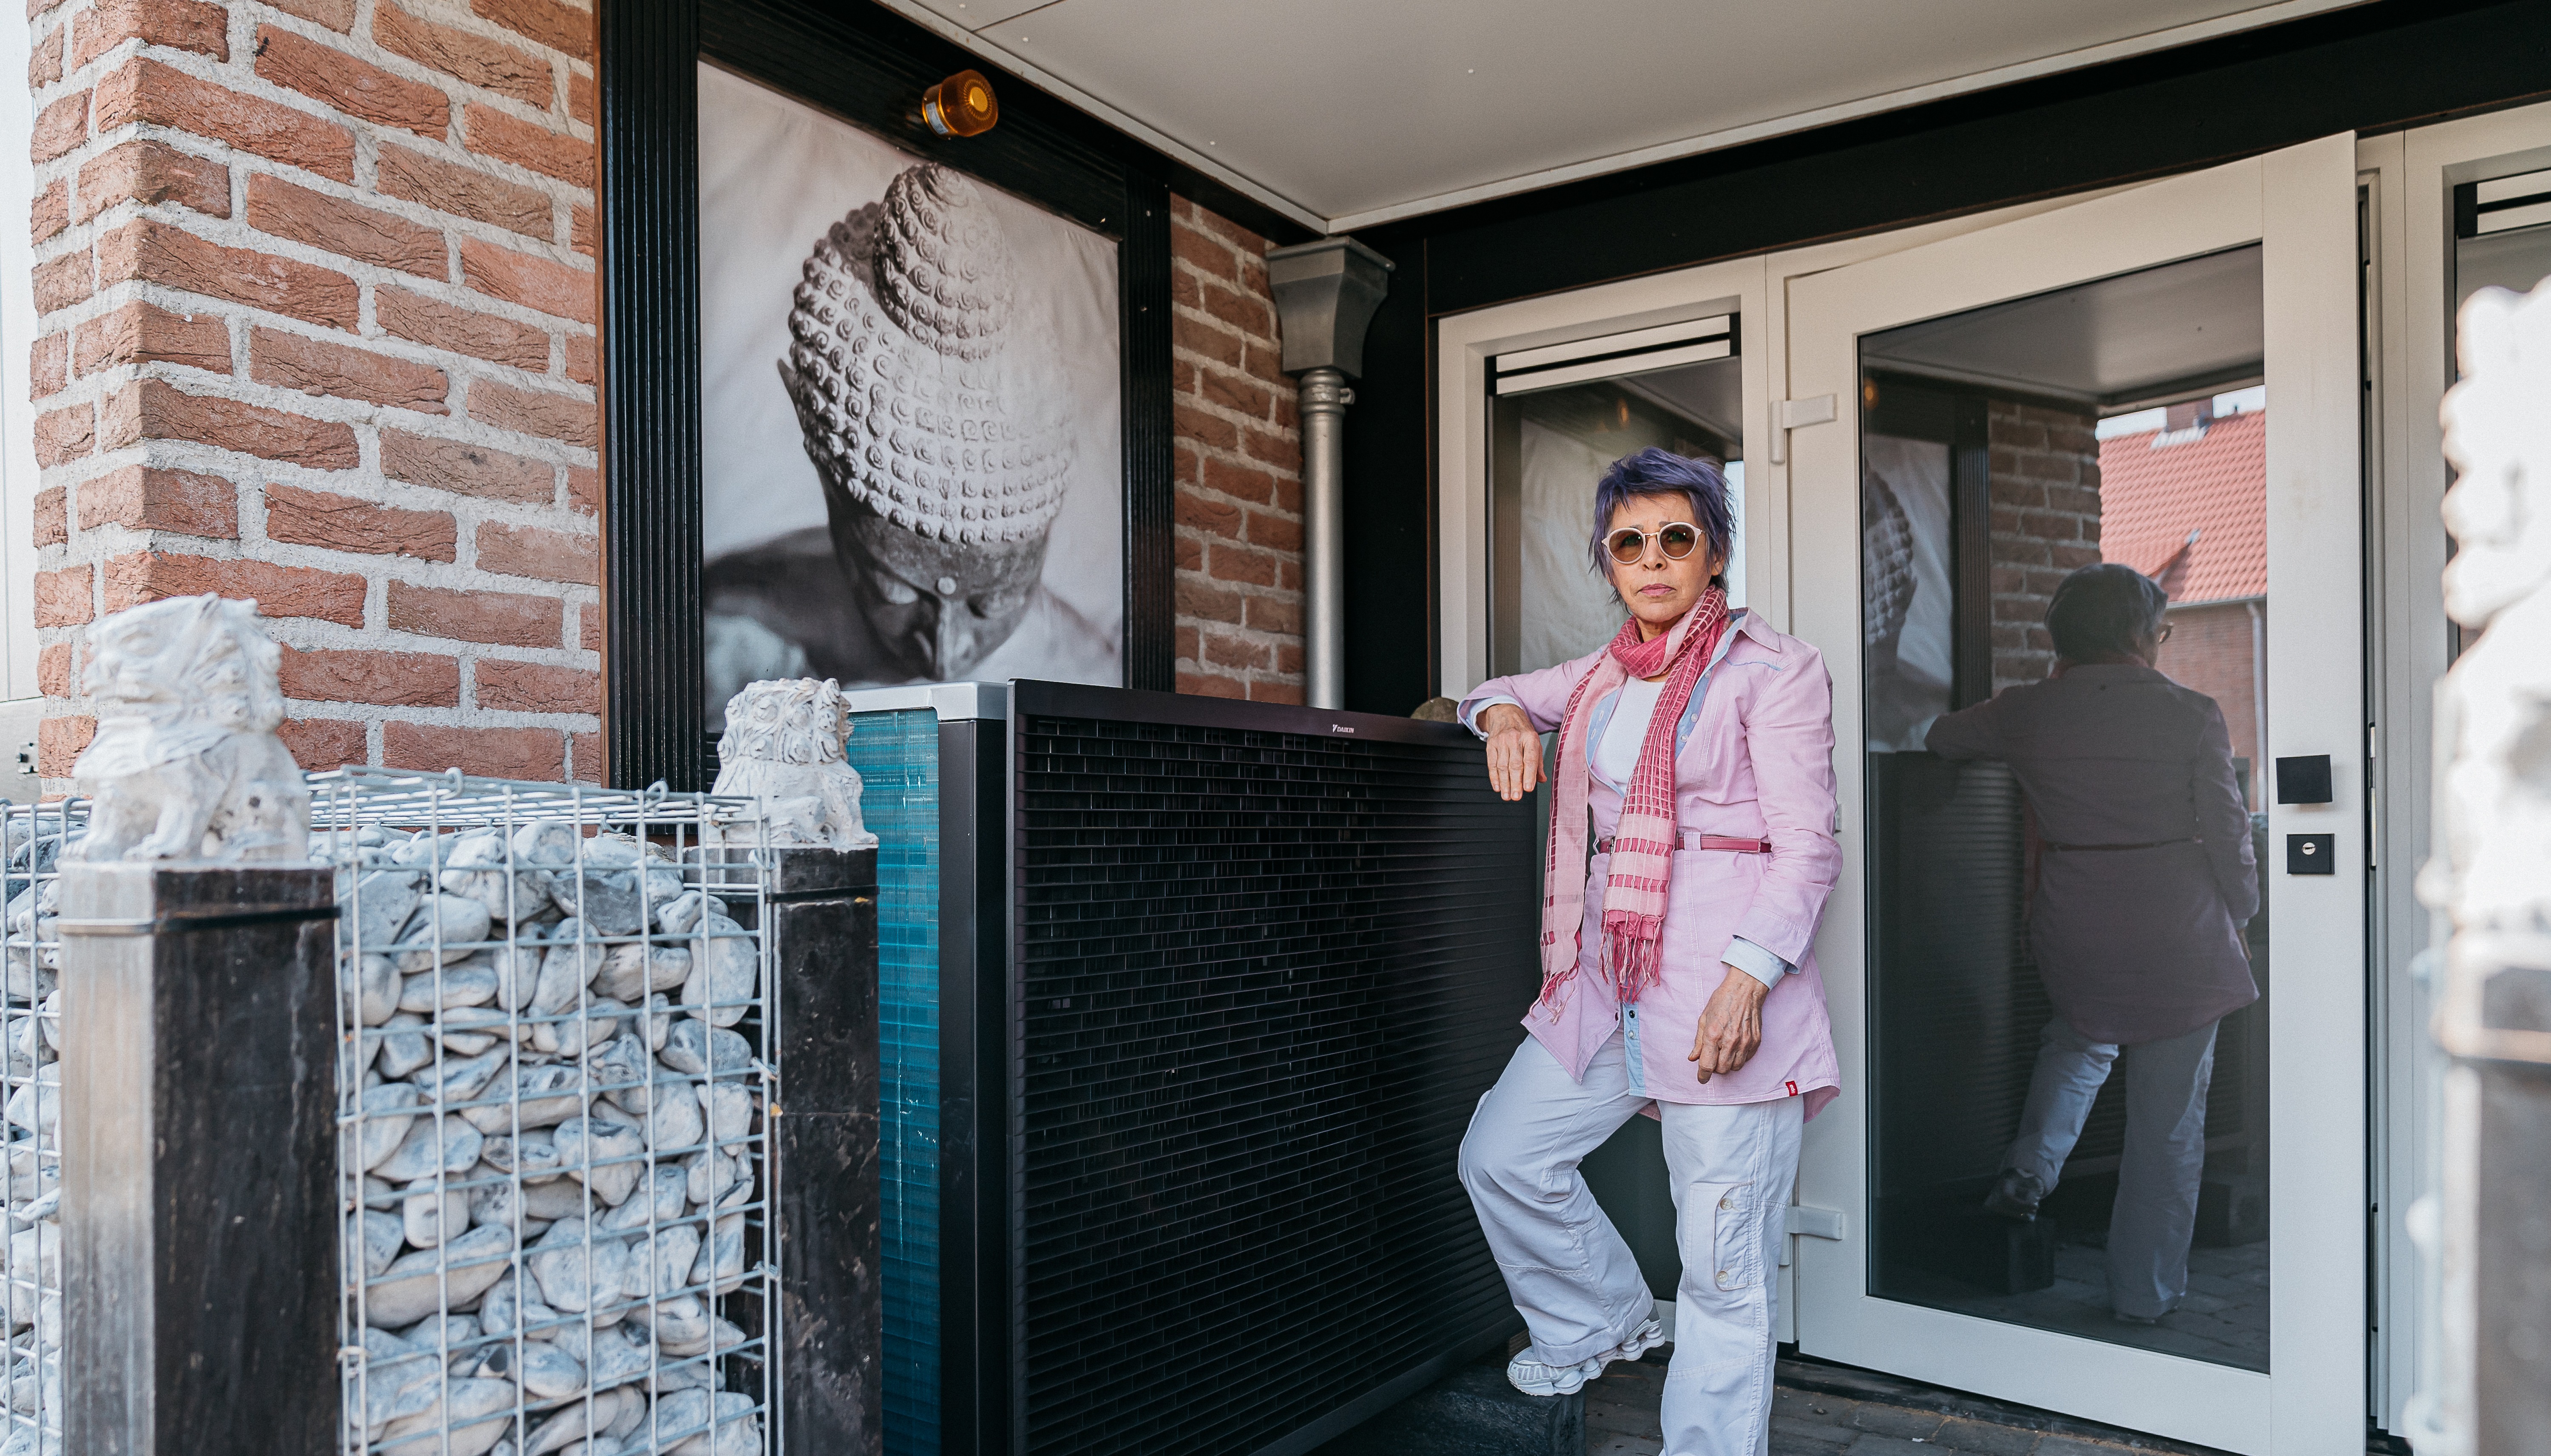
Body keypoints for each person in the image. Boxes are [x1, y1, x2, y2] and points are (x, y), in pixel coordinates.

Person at [1455, 448, 1840, 1456]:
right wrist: (1501, 719)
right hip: (1608, 982)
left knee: (1722, 1272)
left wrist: (1748, 979)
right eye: (1630, 543)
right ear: (1609, 562)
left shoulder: (1775, 669)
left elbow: (1809, 850)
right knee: (1502, 1155)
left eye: (1678, 537)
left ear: (1714, 552)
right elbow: (1491, 690)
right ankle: (1597, 1320)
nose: (1654, 559)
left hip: (1721, 990)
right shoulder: (1598, 676)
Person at [1924, 563, 2259, 1325]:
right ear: (2141, 634)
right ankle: (2144, 1294)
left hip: (2078, 919)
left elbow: (1941, 738)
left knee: (2079, 1039)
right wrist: (2245, 909)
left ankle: (2028, 1173)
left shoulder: (2027, 711)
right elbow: (2230, 829)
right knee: (2168, 1121)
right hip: (2180, 926)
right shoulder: (2192, 713)